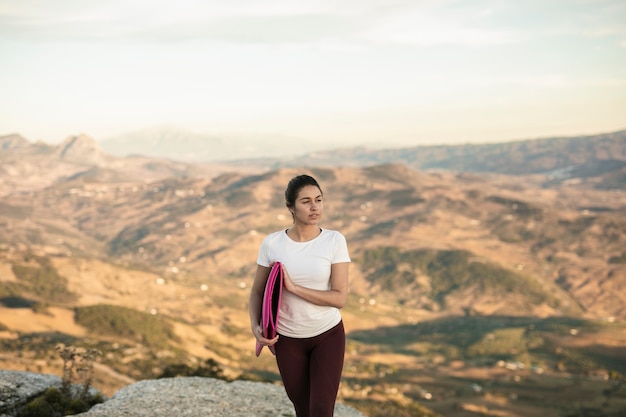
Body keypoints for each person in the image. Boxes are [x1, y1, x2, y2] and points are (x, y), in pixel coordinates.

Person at [249, 174, 351, 417]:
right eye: (306, 201)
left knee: (320, 410)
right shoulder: (272, 243)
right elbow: (257, 291)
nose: (314, 207)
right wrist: (256, 327)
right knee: (303, 409)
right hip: (287, 340)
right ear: (290, 207)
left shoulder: (334, 241)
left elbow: (339, 298)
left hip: (327, 335)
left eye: (319, 199)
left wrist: (294, 288)